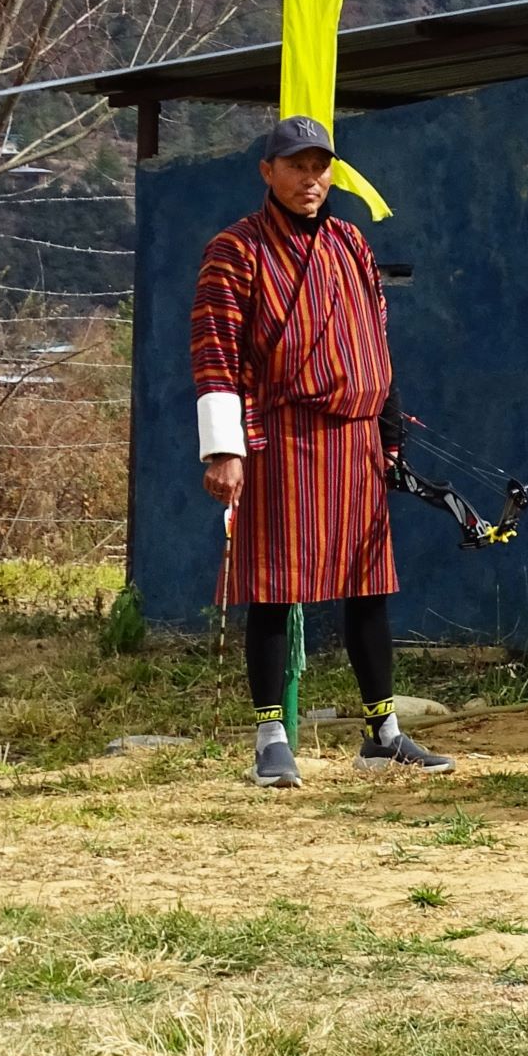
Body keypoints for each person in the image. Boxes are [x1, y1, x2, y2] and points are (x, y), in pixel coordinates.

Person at [192, 116, 452, 788]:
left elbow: (375, 340)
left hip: (357, 435)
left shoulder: (350, 243)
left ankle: (381, 732)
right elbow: (215, 352)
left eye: (320, 167)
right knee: (274, 588)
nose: (310, 179)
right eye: (296, 167)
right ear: (267, 173)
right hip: (280, 436)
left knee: (369, 587)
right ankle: (272, 737)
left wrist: (390, 435)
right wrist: (224, 450)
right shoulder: (236, 249)